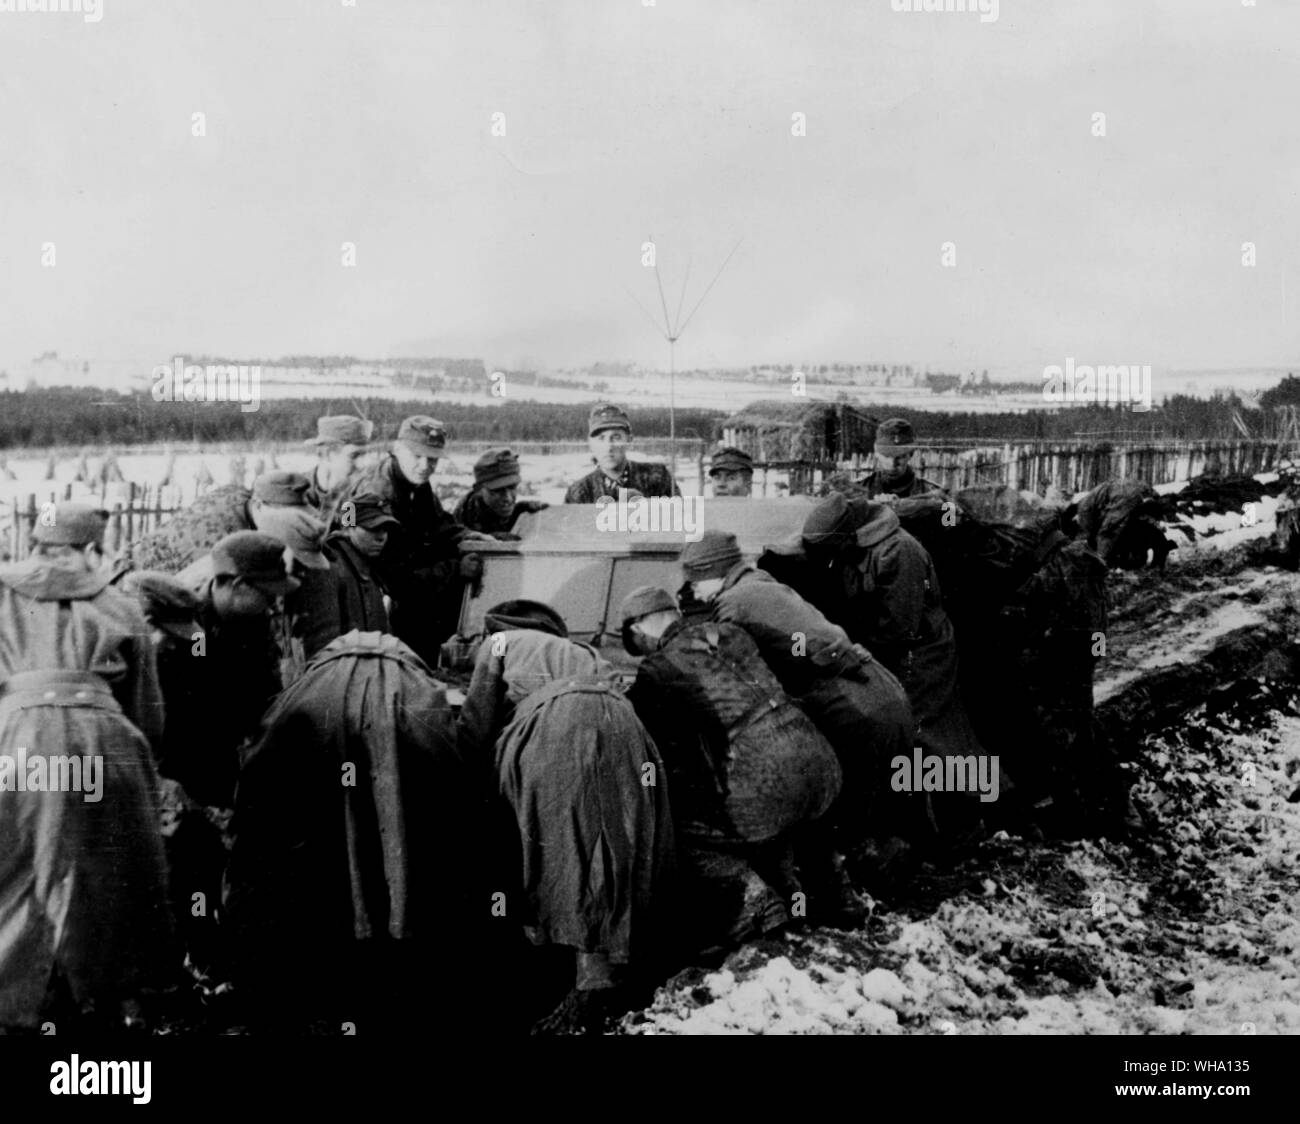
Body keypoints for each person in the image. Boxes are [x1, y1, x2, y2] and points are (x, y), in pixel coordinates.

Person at [223, 631, 463, 1031]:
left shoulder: (306, 693)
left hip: (315, 846)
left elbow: (261, 777)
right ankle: (393, 948)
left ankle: (330, 962)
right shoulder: (418, 691)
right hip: (400, 760)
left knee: (327, 845)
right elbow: (449, 772)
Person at [456, 600, 674, 1035]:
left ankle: (574, 973)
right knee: (613, 842)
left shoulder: (498, 642)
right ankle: (608, 963)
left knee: (554, 841)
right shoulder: (582, 652)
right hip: (625, 727)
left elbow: (476, 724)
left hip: (560, 725)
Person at [0, 504, 175, 1031]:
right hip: (103, 739)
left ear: (33, 543)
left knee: (14, 866)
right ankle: (98, 998)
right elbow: (147, 708)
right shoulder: (119, 604)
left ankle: (13, 1001)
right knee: (103, 874)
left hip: (17, 739)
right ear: (93, 549)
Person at [621, 586, 861, 945]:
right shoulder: (732, 632)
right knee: (803, 816)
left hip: (766, 778)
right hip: (819, 756)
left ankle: (759, 907)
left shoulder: (657, 669)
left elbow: (664, 752)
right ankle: (839, 897)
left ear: (640, 628)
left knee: (686, 831)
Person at [678, 531, 918, 882]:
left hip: (856, 709)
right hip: (879, 692)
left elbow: (725, 671)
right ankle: (883, 891)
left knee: (844, 812)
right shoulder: (761, 584)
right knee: (873, 806)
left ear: (714, 571)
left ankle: (868, 898)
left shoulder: (733, 603)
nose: (693, 592)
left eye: (696, 581)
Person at [801, 493, 990, 841]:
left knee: (921, 732)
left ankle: (965, 821)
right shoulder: (857, 549)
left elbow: (899, 626)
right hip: (893, 649)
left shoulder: (898, 552)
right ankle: (933, 822)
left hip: (920, 654)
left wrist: (853, 646)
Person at [348, 416, 493, 664]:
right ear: (397, 450)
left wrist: (466, 536)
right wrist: (456, 570)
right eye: (417, 456)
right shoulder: (377, 494)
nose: (425, 465)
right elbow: (395, 582)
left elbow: (437, 523)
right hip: (374, 603)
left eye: (433, 458)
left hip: (405, 593)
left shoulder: (414, 482)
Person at [564, 403, 680, 503]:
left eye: (616, 437)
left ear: (629, 440)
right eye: (601, 438)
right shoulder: (580, 491)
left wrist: (646, 507)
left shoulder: (658, 477)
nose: (608, 447)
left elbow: (681, 519)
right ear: (590, 443)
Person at [326, 493, 396, 633]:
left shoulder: (368, 567)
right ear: (349, 528)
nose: (381, 537)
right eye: (373, 528)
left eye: (385, 529)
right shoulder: (332, 569)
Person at [854, 417, 948, 518]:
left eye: (900, 457)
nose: (892, 464)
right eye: (886, 456)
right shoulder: (857, 491)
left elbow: (951, 526)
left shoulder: (932, 492)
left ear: (911, 454)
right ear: (877, 454)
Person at [454, 448, 548, 537]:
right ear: (478, 489)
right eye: (497, 490)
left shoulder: (518, 512)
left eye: (512, 487)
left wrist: (521, 512)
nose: (507, 497)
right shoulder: (460, 524)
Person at [303, 414, 372, 527]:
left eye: (364, 456)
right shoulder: (296, 491)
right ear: (328, 455)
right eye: (354, 456)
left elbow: (349, 533)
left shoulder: (357, 494)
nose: (362, 465)